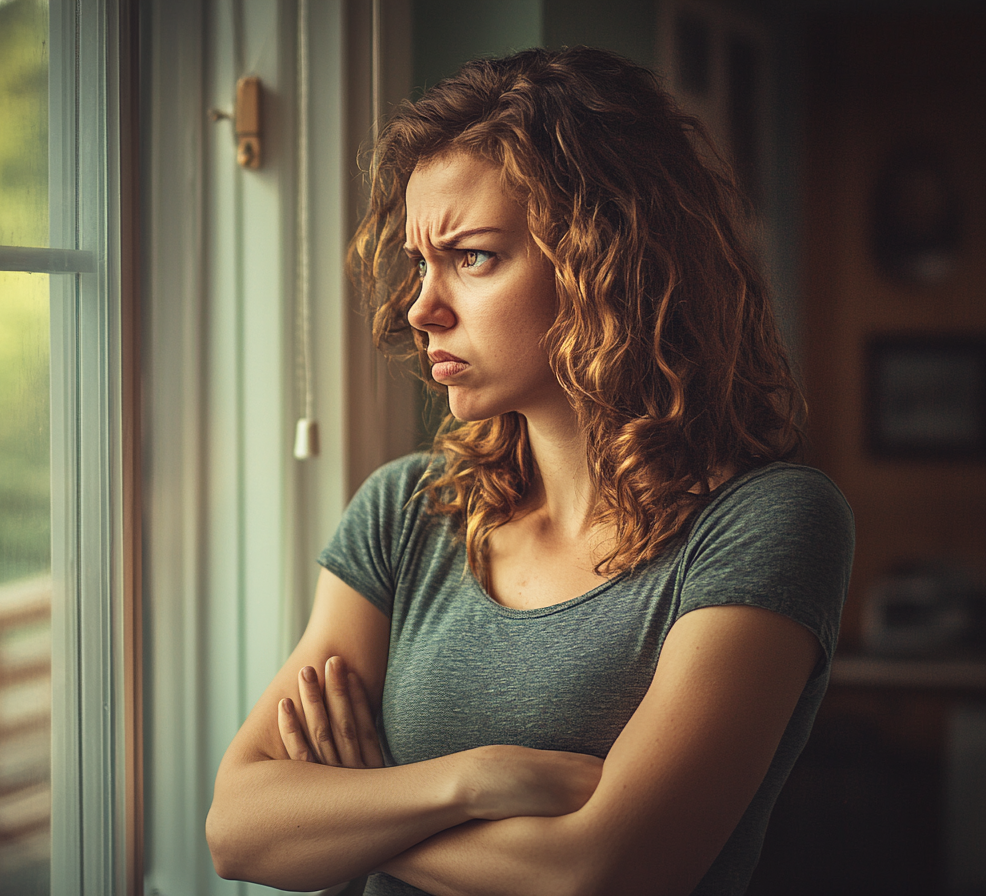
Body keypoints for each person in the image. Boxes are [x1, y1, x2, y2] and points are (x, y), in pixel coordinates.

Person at [206, 46, 854, 896]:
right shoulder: (406, 509)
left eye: (472, 256)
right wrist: (469, 781)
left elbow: (605, 871)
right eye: (421, 262)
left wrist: (357, 806)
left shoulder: (767, 522)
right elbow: (238, 828)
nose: (420, 306)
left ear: (608, 259)